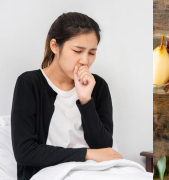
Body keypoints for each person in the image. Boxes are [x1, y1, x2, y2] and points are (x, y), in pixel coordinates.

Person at [11, 12, 122, 180]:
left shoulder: (98, 87)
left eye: (92, 53)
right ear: (55, 46)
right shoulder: (29, 84)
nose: (85, 60)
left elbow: (104, 148)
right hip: (49, 173)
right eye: (78, 51)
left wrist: (86, 100)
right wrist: (87, 154)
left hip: (96, 172)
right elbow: (25, 152)